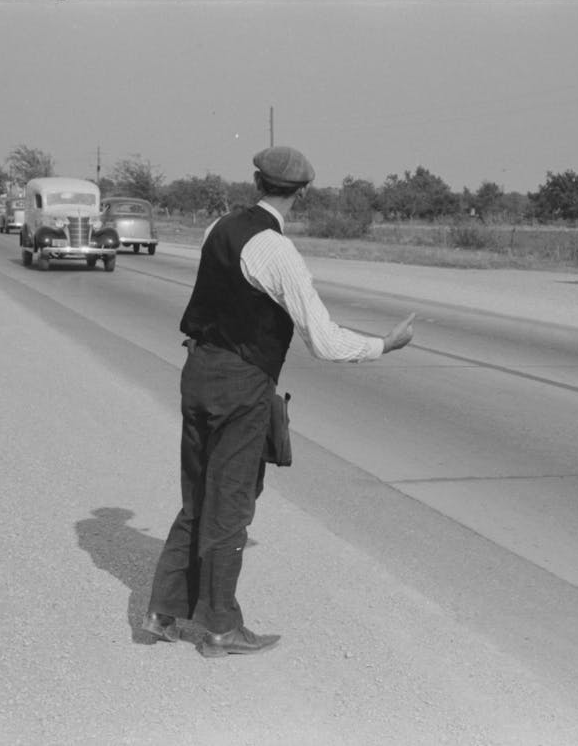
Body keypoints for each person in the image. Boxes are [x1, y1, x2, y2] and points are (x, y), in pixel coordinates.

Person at [143, 145, 415, 657]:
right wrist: (385, 344)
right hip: (240, 384)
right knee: (231, 505)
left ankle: (163, 612)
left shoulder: (218, 228)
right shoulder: (277, 252)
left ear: (256, 181)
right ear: (303, 193)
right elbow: (325, 341)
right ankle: (220, 629)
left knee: (197, 498)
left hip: (197, 371)